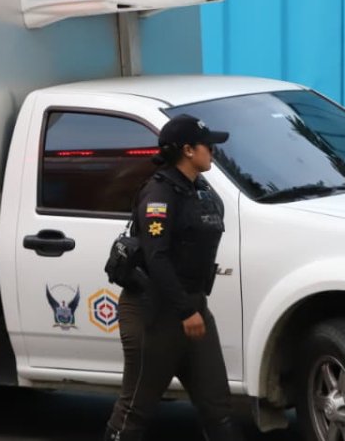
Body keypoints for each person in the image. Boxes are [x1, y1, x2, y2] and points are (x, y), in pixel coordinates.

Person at [104, 114, 243, 441]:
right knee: (135, 410)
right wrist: (185, 310)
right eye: (207, 145)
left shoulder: (200, 189)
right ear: (188, 150)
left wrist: (192, 308)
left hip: (192, 307)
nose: (213, 150)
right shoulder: (159, 195)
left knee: (219, 408)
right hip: (154, 312)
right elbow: (156, 257)